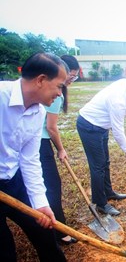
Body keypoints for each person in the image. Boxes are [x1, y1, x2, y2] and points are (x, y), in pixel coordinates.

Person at [0, 52, 67, 262]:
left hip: (13, 179)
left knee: (44, 232)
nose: (60, 93)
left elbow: (29, 160)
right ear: (40, 80)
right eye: (59, 86)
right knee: (4, 251)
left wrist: (40, 202)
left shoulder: (38, 113)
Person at [76, 72, 126, 216]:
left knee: (105, 162)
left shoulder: (125, 84)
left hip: (102, 126)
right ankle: (100, 203)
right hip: (89, 126)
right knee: (98, 166)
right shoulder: (119, 102)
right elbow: (118, 131)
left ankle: (108, 192)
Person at [40, 55, 80, 245]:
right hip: (39, 143)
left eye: (73, 77)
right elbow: (51, 127)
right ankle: (59, 230)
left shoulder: (53, 90)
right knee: (52, 186)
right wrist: (61, 149)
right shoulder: (57, 94)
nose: (70, 81)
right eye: (70, 77)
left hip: (37, 141)